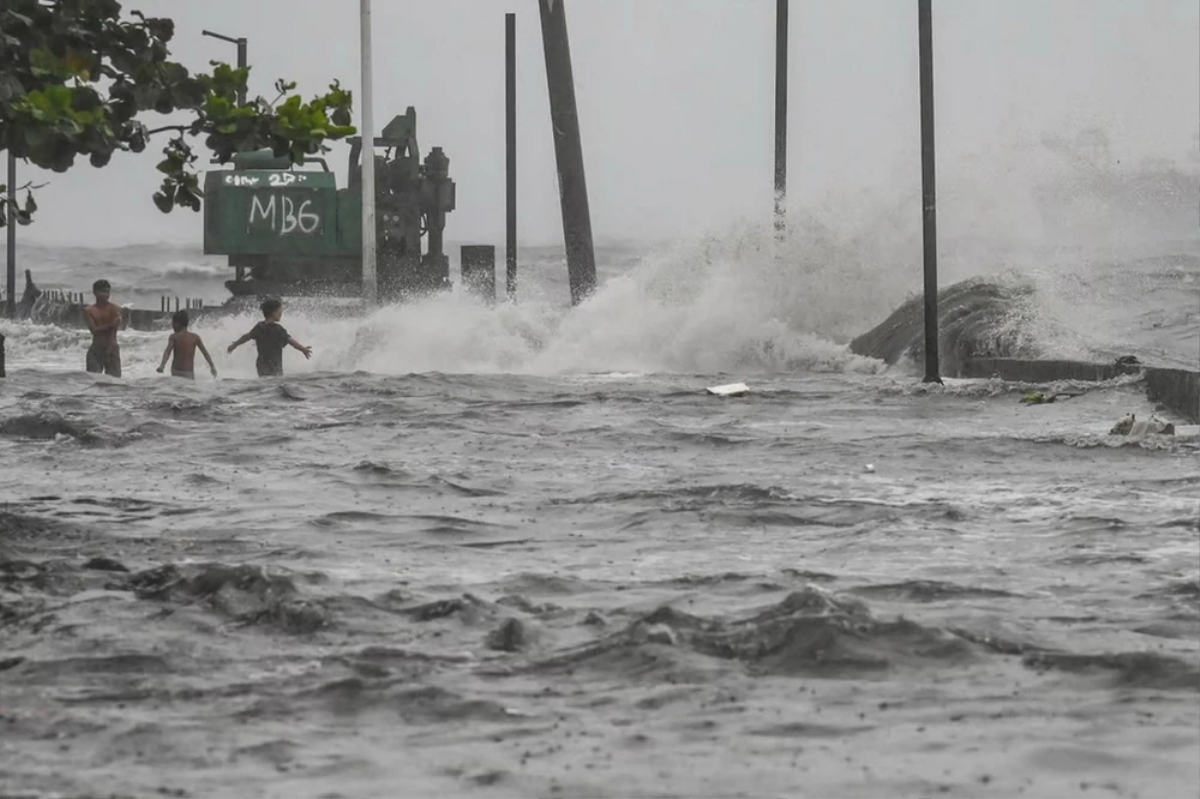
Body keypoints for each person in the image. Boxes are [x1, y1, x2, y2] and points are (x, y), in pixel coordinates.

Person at [227, 298, 312, 377]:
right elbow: (291, 341)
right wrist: (303, 349)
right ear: (274, 312)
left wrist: (235, 344)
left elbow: (246, 337)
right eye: (280, 311)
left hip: (261, 364)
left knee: (264, 382)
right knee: (275, 383)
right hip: (274, 363)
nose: (281, 313)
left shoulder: (259, 327)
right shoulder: (278, 329)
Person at [156, 310, 217, 380]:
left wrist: (162, 366)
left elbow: (167, 352)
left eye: (173, 323)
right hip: (189, 373)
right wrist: (212, 366)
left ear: (177, 324)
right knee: (189, 389)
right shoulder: (195, 337)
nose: (172, 326)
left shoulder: (174, 337)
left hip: (176, 372)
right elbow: (205, 353)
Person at [84, 279, 122, 377]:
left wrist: (110, 325)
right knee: (93, 380)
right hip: (96, 349)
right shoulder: (89, 310)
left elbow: (113, 330)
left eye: (107, 292)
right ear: (95, 292)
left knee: (115, 383)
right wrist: (110, 324)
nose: (106, 295)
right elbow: (94, 330)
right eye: (103, 291)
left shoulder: (114, 309)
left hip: (111, 348)